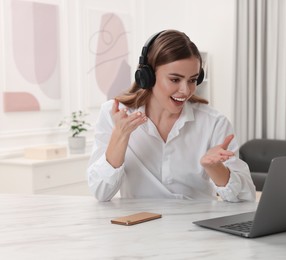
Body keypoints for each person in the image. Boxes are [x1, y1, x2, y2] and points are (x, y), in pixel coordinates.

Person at [87, 29, 256, 202]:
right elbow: (101, 193)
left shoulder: (214, 123)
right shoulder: (115, 115)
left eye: (192, 80)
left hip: (196, 225)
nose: (186, 90)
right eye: (175, 80)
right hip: (138, 226)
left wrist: (215, 168)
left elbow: (246, 198)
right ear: (148, 77)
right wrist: (120, 136)